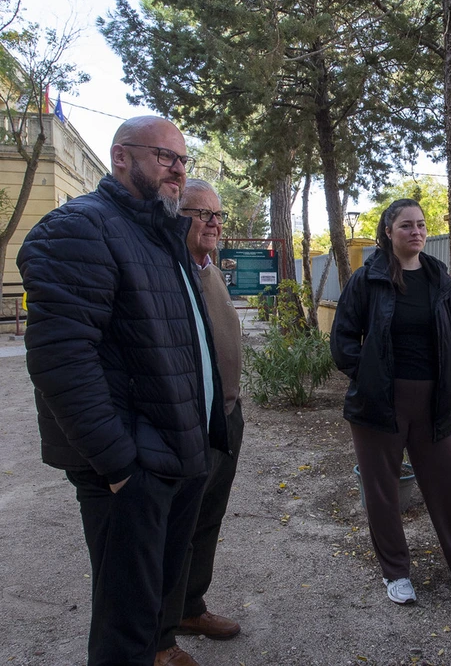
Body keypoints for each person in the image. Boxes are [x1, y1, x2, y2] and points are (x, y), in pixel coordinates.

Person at [16, 116, 228, 666]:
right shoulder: (80, 227)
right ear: (120, 158)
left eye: (183, 161)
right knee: (123, 621)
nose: (178, 171)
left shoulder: (159, 233)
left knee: (157, 593)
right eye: (165, 158)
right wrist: (117, 465)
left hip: (177, 448)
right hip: (131, 464)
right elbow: (61, 360)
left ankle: (160, 646)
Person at [331, 198, 451, 605]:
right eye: (406, 226)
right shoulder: (368, 279)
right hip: (380, 402)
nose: (416, 232)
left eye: (420, 225)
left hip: (434, 401)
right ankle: (395, 573)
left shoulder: (439, 279)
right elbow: (343, 339)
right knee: (383, 490)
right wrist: (370, 377)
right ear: (388, 232)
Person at [155, 180, 244, 666]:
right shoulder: (170, 270)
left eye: (217, 215)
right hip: (189, 424)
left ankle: (191, 608)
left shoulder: (210, 269)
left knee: (206, 521)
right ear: (175, 217)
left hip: (226, 418)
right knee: (174, 532)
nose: (212, 223)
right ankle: (160, 639)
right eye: (200, 213)